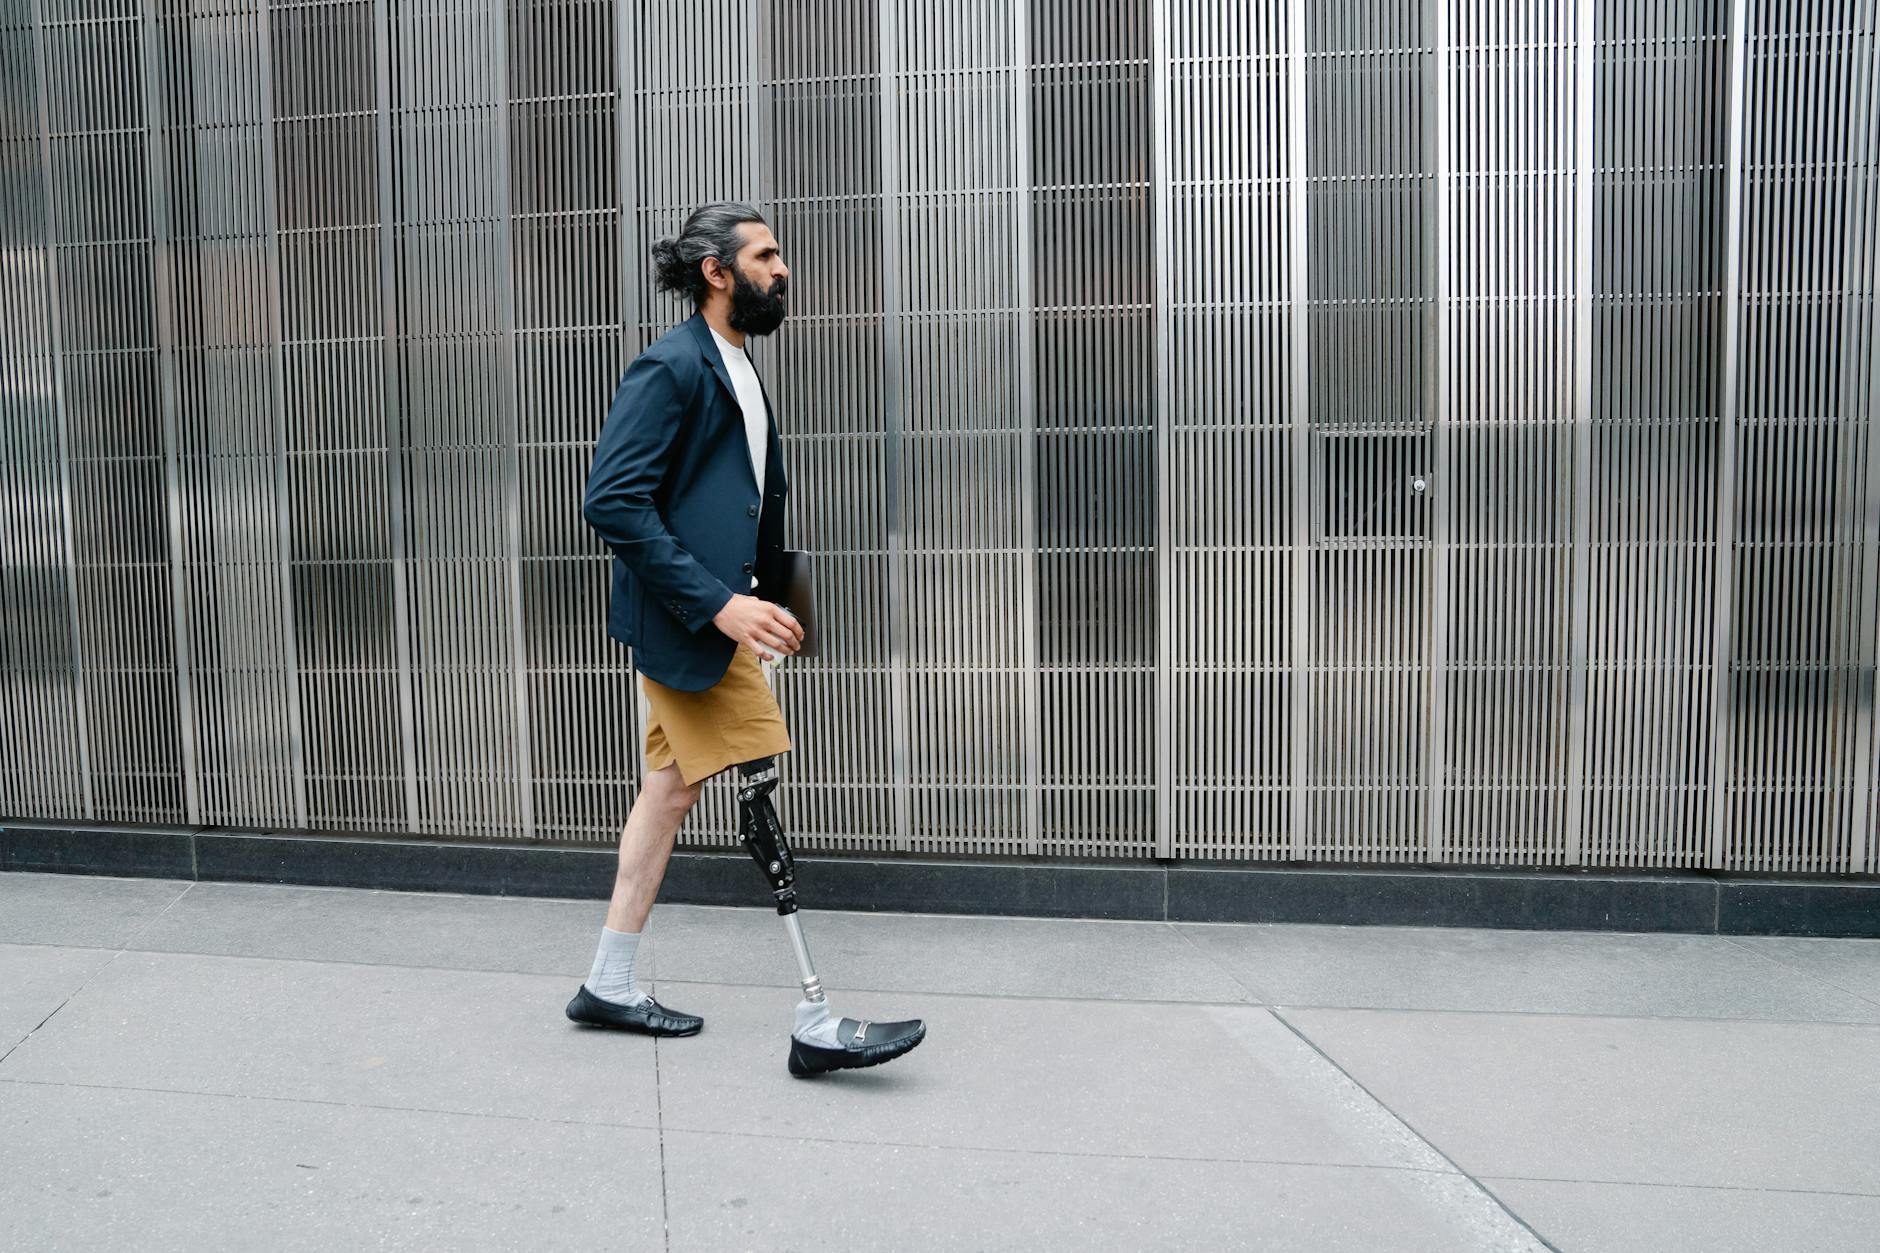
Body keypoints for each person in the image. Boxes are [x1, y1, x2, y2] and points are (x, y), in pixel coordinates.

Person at [567, 200, 926, 1077]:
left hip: (718, 621)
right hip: (689, 620)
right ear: (716, 273)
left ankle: (607, 982)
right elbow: (611, 500)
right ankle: (815, 1019)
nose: (784, 268)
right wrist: (723, 608)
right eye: (766, 255)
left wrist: (782, 605)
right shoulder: (670, 367)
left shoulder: (740, 369)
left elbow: (754, 503)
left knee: (668, 792)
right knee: (758, 783)